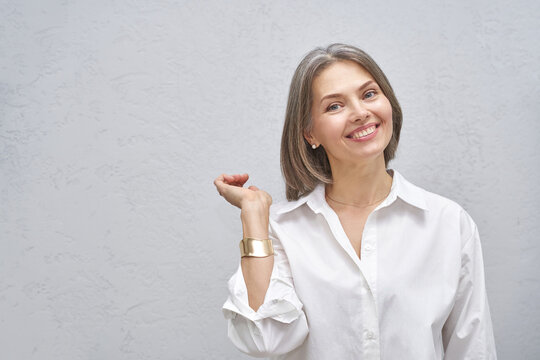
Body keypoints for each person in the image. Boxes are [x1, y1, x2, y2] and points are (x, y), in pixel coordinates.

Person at [213, 43, 497, 359]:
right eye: (334, 106)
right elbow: (265, 341)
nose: (360, 113)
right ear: (310, 134)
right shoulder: (281, 229)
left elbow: (473, 349)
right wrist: (254, 216)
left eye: (369, 94)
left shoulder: (448, 222)